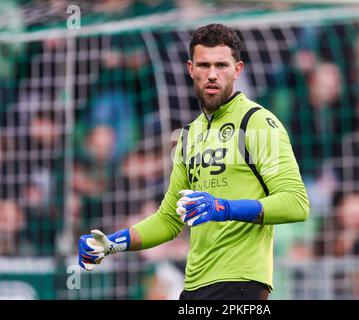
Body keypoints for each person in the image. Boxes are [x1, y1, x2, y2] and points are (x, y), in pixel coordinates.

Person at [77, 23, 310, 300]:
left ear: (237, 70)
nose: (212, 74)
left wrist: (224, 208)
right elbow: (168, 220)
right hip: (195, 285)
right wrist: (112, 244)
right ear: (191, 69)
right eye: (204, 65)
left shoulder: (257, 122)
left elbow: (296, 203)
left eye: (221, 65)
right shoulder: (189, 135)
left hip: (241, 283)